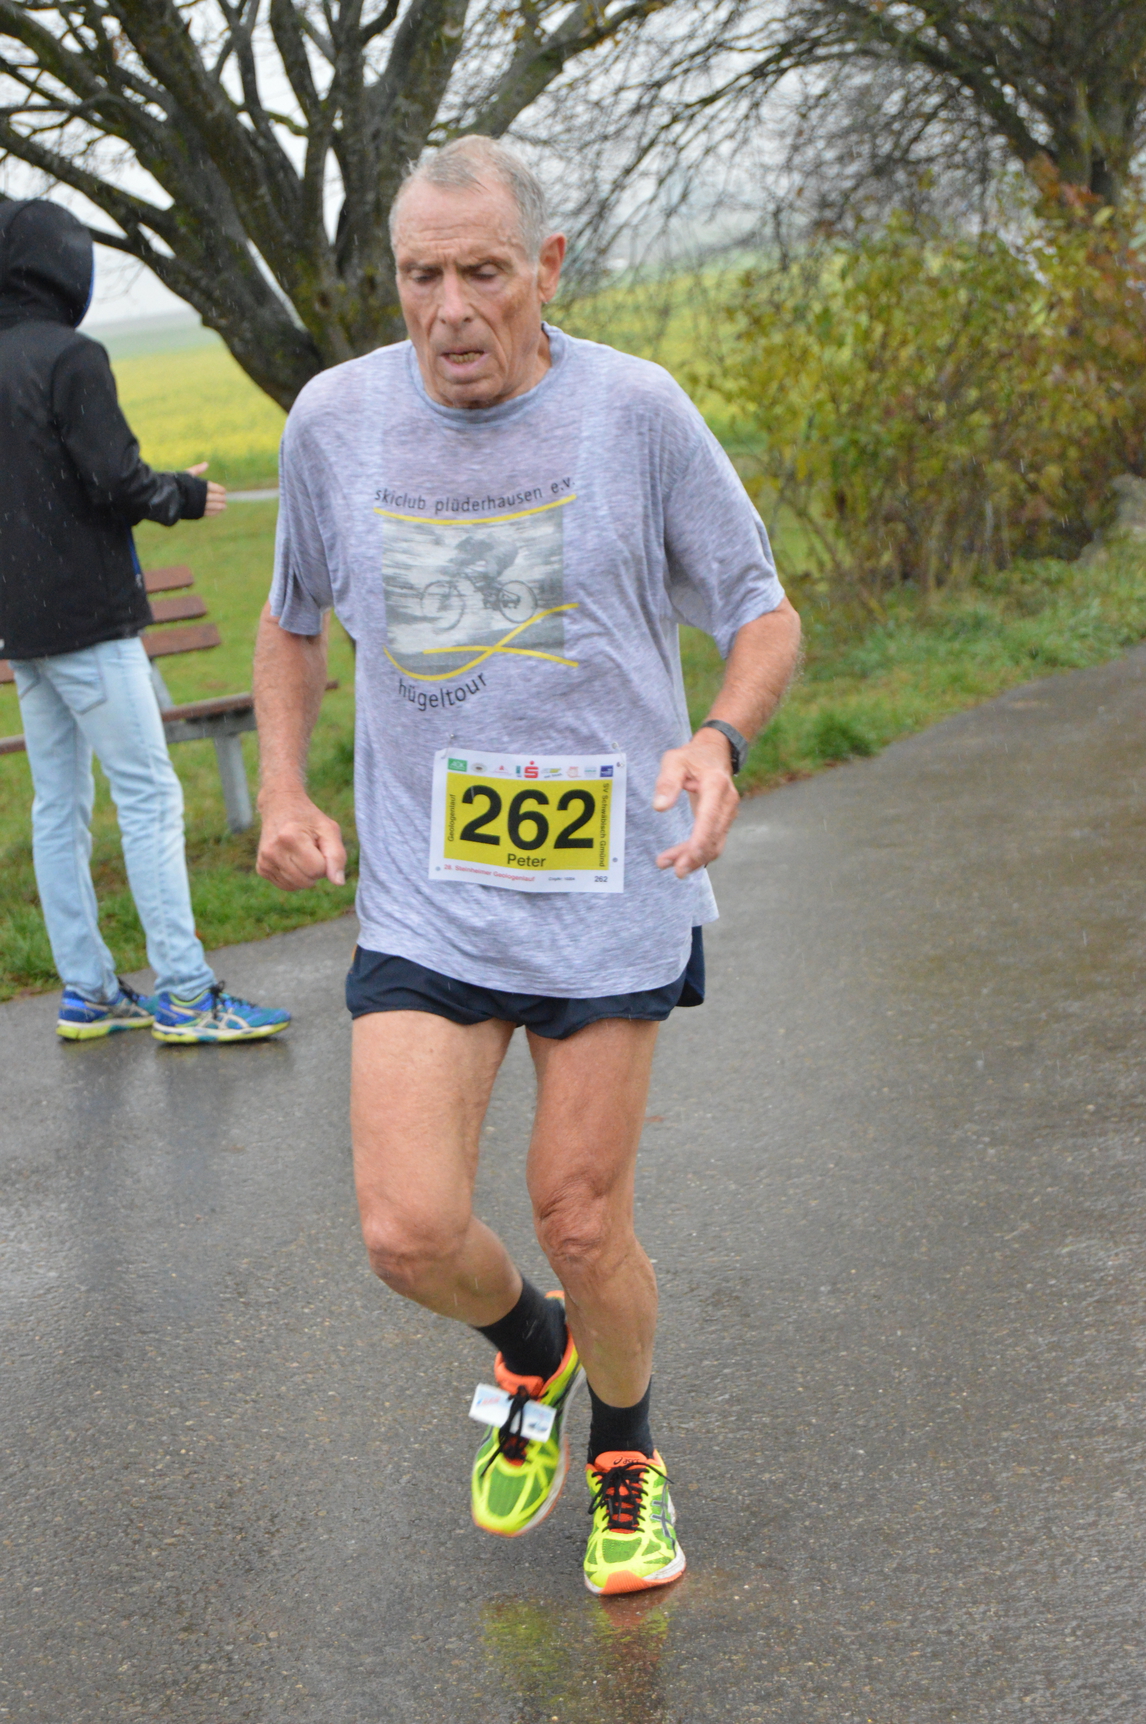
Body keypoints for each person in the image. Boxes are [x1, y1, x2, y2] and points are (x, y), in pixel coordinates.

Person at [254, 136, 801, 1595]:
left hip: (609, 886)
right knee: (406, 1230)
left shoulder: (635, 412)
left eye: (484, 272)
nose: (450, 310)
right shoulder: (334, 421)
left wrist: (720, 738)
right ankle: (533, 1345)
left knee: (579, 1212)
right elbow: (292, 617)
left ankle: (625, 1447)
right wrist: (284, 786)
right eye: (421, 275)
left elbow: (762, 613)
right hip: (429, 891)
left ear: (547, 268)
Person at [0, 198, 290, 1045]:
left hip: (22, 628)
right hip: (89, 621)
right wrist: (184, 494)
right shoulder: (72, 356)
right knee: (150, 796)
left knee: (58, 805)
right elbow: (114, 480)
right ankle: (188, 995)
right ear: (62, 268)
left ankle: (88, 991)